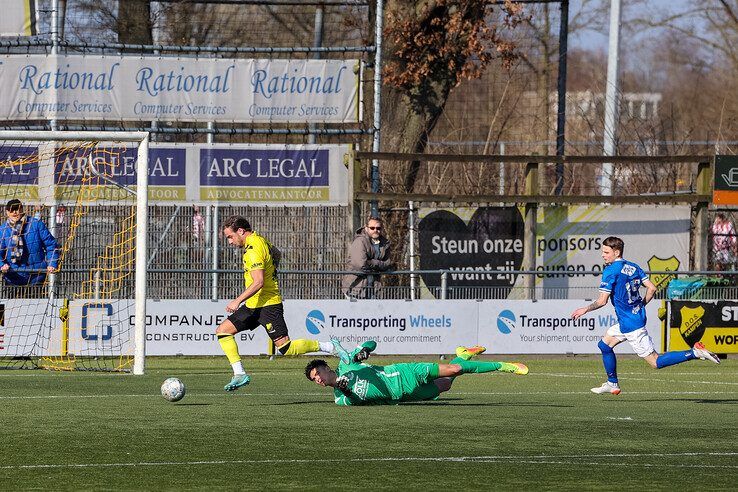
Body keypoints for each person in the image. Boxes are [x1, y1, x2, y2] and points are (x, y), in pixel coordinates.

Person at [571, 236, 720, 396]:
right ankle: (612, 383)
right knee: (604, 345)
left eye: (606, 252)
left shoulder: (610, 271)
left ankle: (695, 352)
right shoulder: (633, 267)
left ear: (616, 252)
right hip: (631, 319)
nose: (603, 255)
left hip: (631, 325)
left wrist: (584, 310)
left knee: (655, 362)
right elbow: (652, 288)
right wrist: (641, 305)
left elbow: (602, 301)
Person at [215, 215, 334, 391]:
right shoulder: (259, 240)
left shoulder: (254, 247)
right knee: (223, 331)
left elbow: (258, 282)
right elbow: (276, 253)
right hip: (255, 304)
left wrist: (237, 301)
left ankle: (330, 346)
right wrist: (272, 270)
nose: (230, 242)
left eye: (230, 237)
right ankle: (239, 374)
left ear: (240, 231)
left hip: (268, 304)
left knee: (285, 347)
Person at [305, 339, 529, 406]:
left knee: (454, 369)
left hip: (404, 373)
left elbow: (372, 343)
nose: (318, 380)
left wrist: (364, 350)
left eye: (317, 374)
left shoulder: (347, 364)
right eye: (314, 380)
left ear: (326, 367)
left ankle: (503, 366)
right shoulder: (340, 398)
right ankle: (463, 353)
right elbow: (355, 402)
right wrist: (348, 391)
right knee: (447, 383)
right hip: (403, 395)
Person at [0, 199, 59, 288]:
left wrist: (52, 263)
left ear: (22, 209)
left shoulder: (36, 224)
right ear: (7, 212)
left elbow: (51, 245)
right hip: (12, 277)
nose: (15, 212)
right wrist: (1, 265)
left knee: (36, 300)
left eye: (17, 209)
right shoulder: (3, 229)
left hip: (36, 276)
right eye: (12, 210)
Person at [341, 215, 394, 299]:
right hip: (356, 288)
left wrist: (371, 262)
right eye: (372, 228)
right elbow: (361, 265)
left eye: (378, 228)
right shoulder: (360, 241)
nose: (375, 230)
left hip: (374, 289)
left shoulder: (385, 243)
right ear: (366, 228)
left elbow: (388, 263)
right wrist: (378, 265)